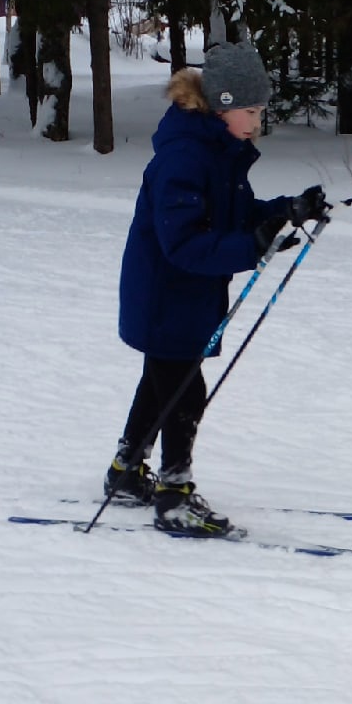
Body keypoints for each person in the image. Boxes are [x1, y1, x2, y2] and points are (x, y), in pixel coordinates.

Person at [104, 41, 326, 536]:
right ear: (222, 104)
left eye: (261, 111)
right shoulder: (185, 157)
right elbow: (183, 241)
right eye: (250, 111)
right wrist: (251, 247)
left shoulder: (217, 150)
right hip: (166, 293)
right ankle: (174, 495)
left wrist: (284, 211)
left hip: (186, 294)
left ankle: (125, 472)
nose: (256, 122)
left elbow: (230, 214)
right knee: (183, 390)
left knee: (163, 384)